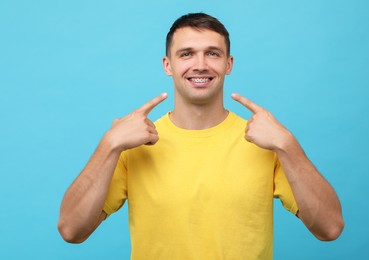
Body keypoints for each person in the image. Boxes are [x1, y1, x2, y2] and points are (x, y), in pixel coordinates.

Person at [58, 12, 344, 259]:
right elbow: (71, 230)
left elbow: (330, 228)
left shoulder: (265, 142)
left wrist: (287, 144)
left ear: (228, 64)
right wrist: (109, 145)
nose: (200, 65)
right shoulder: (134, 144)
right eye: (186, 54)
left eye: (212, 53)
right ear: (167, 65)